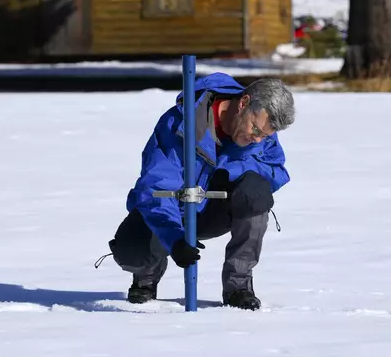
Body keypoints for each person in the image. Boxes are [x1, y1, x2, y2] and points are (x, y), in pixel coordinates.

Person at [107, 72, 295, 311]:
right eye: (255, 129)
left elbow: (276, 170)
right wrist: (174, 239)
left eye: (265, 136)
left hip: (216, 209)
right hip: (174, 209)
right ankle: (146, 278)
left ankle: (238, 287)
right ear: (244, 103)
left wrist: (231, 172)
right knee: (131, 250)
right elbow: (156, 187)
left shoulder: (262, 135)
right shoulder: (180, 123)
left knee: (256, 192)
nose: (257, 139)